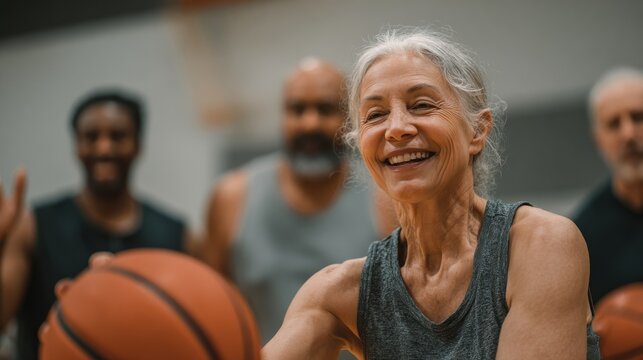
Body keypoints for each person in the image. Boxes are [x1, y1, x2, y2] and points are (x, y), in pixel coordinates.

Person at [263, 29, 601, 359]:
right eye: (376, 115)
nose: (396, 129)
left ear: (478, 130)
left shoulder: (541, 246)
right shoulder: (338, 293)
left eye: (421, 105)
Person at [203, 58, 396, 345]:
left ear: (350, 117)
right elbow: (211, 308)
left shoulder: (387, 198)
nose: (310, 123)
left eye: (325, 109)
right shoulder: (232, 196)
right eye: (297, 109)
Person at [0, 90, 194, 360]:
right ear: (76, 145)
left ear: (138, 144)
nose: (104, 148)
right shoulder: (33, 226)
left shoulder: (177, 235)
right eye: (91, 137)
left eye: (117, 136)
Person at [573, 67, 643, 304]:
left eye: (638, 117)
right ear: (598, 140)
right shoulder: (582, 236)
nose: (629, 134)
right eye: (614, 124)